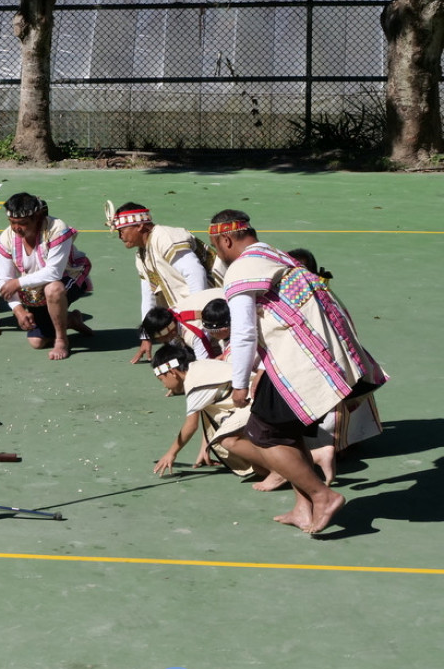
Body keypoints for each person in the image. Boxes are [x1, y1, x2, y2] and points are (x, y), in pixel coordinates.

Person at [209, 209, 387, 534]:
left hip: (297, 362)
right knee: (288, 432)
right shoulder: (275, 256)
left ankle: (323, 497)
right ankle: (303, 507)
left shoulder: (241, 271)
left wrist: (239, 383)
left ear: (225, 239)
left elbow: (245, 331)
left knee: (264, 434)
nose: (217, 254)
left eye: (216, 246)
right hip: (325, 354)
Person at [105, 201, 223, 364]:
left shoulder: (164, 236)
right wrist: (146, 335)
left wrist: (197, 315)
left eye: (122, 230)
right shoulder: (141, 256)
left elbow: (195, 273)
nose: (120, 236)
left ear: (139, 226)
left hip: (214, 308)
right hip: (191, 315)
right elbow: (149, 295)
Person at [0, 192, 93, 359]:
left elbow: (54, 273)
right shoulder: (6, 238)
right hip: (34, 288)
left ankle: (62, 340)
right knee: (36, 342)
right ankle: (71, 320)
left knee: (53, 289)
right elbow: (5, 281)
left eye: (23, 223)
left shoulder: (57, 228)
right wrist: (18, 311)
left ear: (38, 217)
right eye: (12, 223)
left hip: (69, 278)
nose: (16, 228)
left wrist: (17, 283)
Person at [151, 343, 260, 478]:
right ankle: (273, 465)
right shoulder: (200, 366)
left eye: (161, 379)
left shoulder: (194, 383)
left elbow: (191, 425)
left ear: (172, 372)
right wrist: (205, 447)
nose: (164, 385)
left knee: (227, 440)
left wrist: (171, 453)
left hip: (257, 401)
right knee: (259, 468)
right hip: (259, 397)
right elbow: (207, 413)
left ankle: (278, 470)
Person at [139, 288, 225, 360]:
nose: (157, 341)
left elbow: (205, 365)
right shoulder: (172, 311)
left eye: (157, 339)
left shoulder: (193, 335)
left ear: (170, 333)